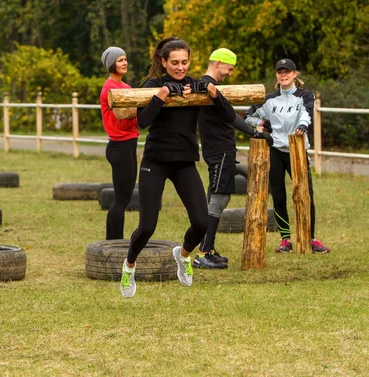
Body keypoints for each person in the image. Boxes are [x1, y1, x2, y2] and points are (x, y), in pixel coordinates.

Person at [120, 37, 237, 297]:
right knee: (148, 226)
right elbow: (143, 122)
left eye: (185, 62)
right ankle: (129, 267)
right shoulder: (153, 85)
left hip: (184, 163)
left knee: (201, 222)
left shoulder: (196, 85)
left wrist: (211, 92)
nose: (180, 67)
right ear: (163, 62)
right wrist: (161, 97)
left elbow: (228, 116)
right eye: (174, 63)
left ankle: (183, 256)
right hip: (156, 161)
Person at [194, 48, 274, 269]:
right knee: (219, 198)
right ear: (218, 63)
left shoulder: (213, 88)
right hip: (218, 151)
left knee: (221, 197)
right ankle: (202, 253)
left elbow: (228, 116)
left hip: (223, 151)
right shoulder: (207, 87)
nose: (230, 73)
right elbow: (231, 117)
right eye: (229, 68)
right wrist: (256, 133)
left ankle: (208, 249)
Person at [244, 58, 330, 254]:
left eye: (287, 72)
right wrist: (265, 127)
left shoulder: (305, 95)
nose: (283, 75)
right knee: (279, 195)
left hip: (297, 149)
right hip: (275, 150)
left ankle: (310, 237)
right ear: (277, 75)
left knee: (305, 194)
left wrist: (302, 126)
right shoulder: (269, 99)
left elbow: (306, 114)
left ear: (294, 74)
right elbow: (248, 117)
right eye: (280, 72)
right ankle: (285, 239)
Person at [99, 47, 139, 240]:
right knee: (121, 200)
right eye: (120, 60)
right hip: (119, 146)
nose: (124, 63)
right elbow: (122, 118)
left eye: (125, 59)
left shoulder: (127, 88)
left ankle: (114, 241)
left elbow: (133, 119)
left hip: (130, 144)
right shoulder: (110, 89)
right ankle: (113, 242)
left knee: (124, 198)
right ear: (111, 64)